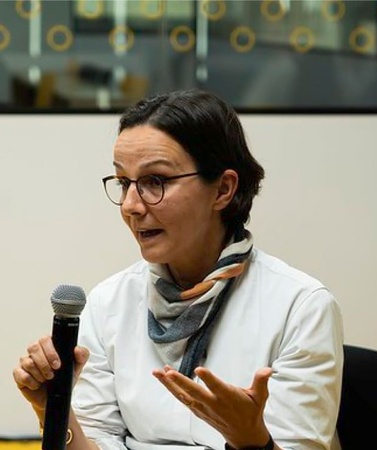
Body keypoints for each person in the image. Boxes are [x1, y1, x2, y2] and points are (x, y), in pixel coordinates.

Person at [13, 88, 344, 450]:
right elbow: (98, 442)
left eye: (156, 181)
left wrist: (252, 441)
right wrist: (52, 409)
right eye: (124, 183)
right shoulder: (109, 303)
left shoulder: (301, 307)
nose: (131, 206)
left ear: (223, 189)